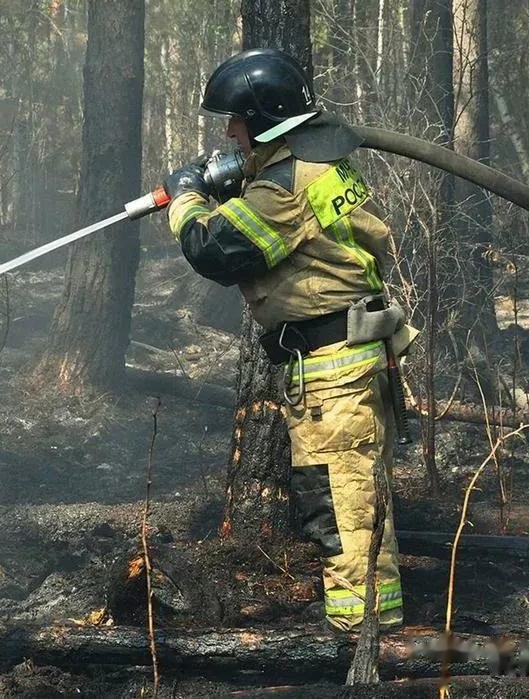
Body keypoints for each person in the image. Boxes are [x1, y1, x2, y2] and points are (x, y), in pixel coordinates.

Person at [164, 48, 418, 632]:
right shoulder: (317, 166)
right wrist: (236, 179)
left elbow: (217, 250)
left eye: (235, 119)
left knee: (341, 508)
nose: (228, 131)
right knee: (360, 501)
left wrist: (186, 198)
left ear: (264, 116)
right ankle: (379, 630)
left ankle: (359, 645)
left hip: (332, 369)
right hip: (351, 357)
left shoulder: (284, 188)